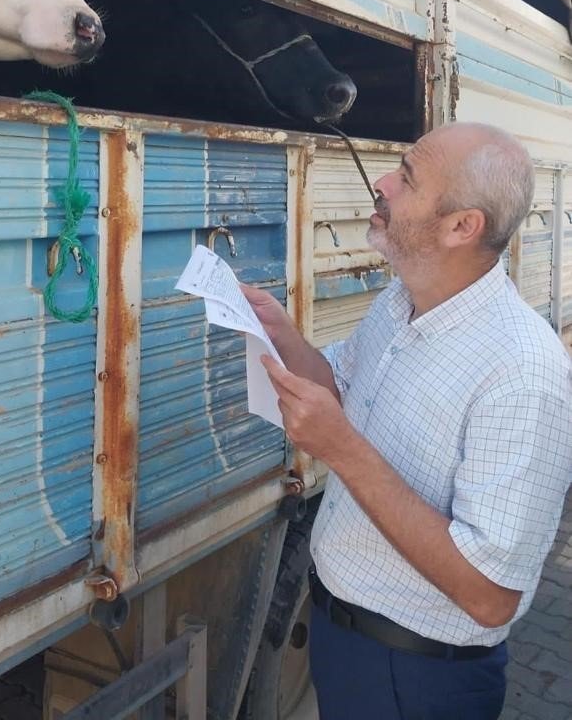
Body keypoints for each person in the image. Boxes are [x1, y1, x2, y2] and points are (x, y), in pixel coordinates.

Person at [244, 122, 572, 720]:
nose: (384, 183)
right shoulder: (400, 302)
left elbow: (491, 596)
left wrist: (340, 449)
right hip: (344, 638)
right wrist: (279, 331)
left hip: (419, 678)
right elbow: (339, 387)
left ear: (460, 226)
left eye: (408, 179)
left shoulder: (522, 371)